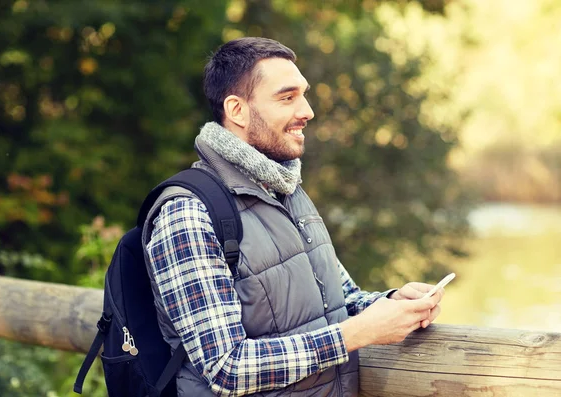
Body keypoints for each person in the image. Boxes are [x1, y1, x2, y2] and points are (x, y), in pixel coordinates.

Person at [145, 37, 444, 397]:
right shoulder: (187, 213)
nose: (307, 111)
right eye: (287, 98)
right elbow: (226, 368)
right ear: (236, 110)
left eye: (303, 94)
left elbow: (338, 301)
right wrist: (357, 333)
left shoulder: (287, 188)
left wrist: (390, 304)